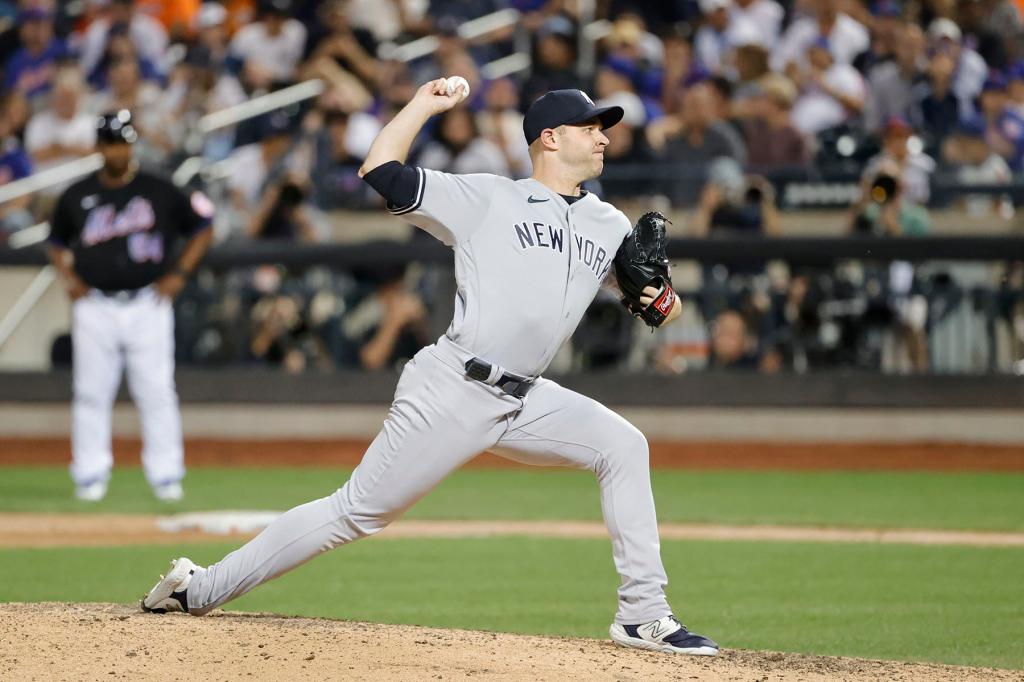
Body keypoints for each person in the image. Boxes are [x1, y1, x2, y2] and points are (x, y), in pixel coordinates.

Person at [141, 82, 720, 657]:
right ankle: (200, 588)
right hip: (455, 386)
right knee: (355, 513)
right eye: (591, 126)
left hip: (526, 398)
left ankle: (643, 616)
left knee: (623, 447)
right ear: (550, 138)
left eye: (604, 127)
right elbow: (381, 170)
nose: (603, 137)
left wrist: (657, 296)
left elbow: (659, 307)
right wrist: (423, 103)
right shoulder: (488, 198)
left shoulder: (608, 222)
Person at [46, 110, 214, 502]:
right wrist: (69, 278)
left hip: (148, 302)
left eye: (123, 141)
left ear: (132, 143)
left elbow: (203, 226)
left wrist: (180, 274)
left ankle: (166, 475)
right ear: (100, 146)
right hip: (96, 305)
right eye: (111, 142)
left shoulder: (159, 188)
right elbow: (56, 241)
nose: (117, 150)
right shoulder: (78, 194)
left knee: (156, 391)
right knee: (90, 392)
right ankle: (89, 476)